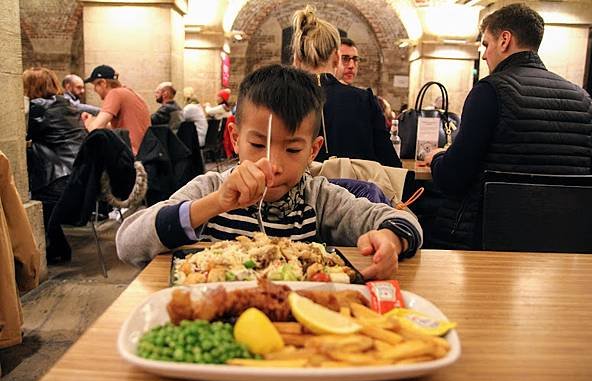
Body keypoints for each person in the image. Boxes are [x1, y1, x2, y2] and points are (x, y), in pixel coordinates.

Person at [116, 64, 422, 279]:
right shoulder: (210, 188)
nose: (272, 165)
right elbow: (127, 243)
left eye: (292, 150)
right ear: (235, 139)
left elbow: (403, 219)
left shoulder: (319, 198)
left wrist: (392, 239)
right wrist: (215, 204)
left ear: (313, 151)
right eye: (258, 144)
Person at [421, 3, 592, 249]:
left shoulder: (490, 91)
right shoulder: (584, 100)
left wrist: (437, 158)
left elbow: (453, 177)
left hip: (486, 238)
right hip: (561, 242)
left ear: (504, 39)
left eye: (486, 44)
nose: (484, 55)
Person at [291, 5, 401, 167]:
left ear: (296, 59)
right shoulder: (364, 100)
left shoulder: (280, 99)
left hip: (296, 191)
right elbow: (390, 163)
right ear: (337, 58)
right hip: (356, 191)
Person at [23, 67, 87, 262]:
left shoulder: (37, 108)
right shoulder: (67, 104)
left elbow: (23, 136)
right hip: (81, 176)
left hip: (60, 180)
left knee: (30, 199)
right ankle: (59, 246)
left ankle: (55, 247)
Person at [81, 65, 150, 156]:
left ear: (103, 83)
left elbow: (94, 130)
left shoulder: (115, 93)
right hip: (145, 154)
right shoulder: (132, 93)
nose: (94, 90)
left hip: (130, 157)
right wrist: (93, 119)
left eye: (95, 85)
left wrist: (87, 121)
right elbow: (119, 126)